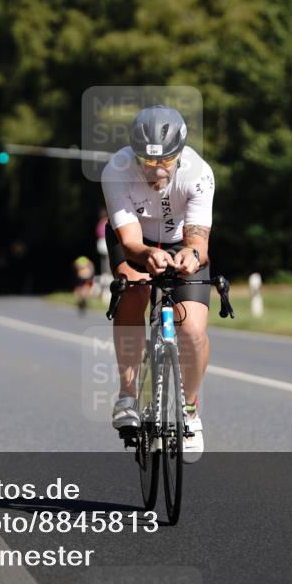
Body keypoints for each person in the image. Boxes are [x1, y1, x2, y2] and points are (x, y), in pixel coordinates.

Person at [100, 105, 215, 463]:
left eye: (167, 160)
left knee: (192, 329)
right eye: (147, 162)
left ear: (180, 154)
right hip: (135, 239)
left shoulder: (198, 173)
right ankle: (128, 396)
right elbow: (131, 241)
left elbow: (199, 243)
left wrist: (191, 258)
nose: (158, 169)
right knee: (133, 290)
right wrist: (144, 256)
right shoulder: (116, 171)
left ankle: (191, 412)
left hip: (183, 242)